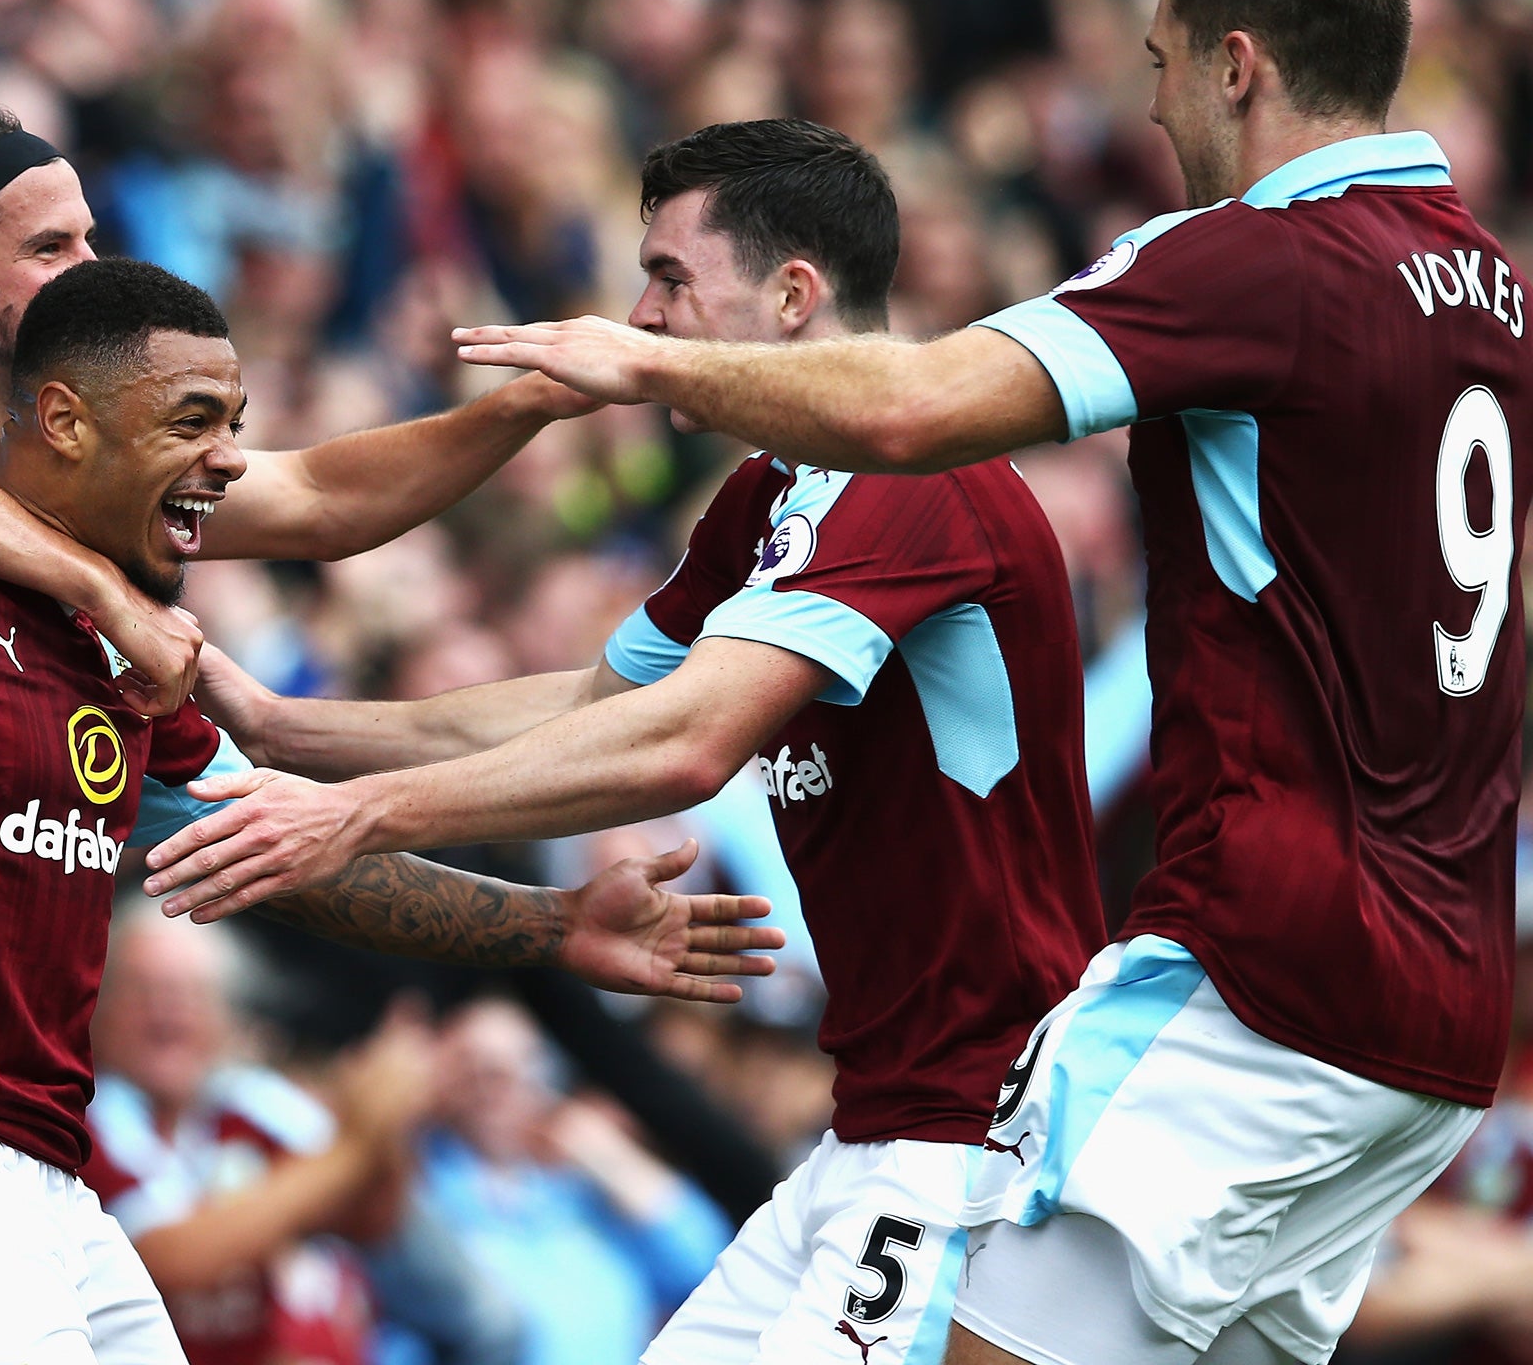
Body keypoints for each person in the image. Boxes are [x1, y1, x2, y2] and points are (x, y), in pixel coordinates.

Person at [453, 0, 1529, 1365]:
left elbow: (914, 402)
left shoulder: (1260, 259)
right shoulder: (1487, 288)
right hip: (1446, 999)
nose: (1148, 112)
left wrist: (646, 368)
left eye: (1156, 66)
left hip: (1265, 965)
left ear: (1235, 64)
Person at [0, 256, 779, 1362]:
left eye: (235, 426)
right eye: (193, 422)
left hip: (34, 1173)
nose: (226, 461)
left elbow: (289, 849)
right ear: (63, 420)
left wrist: (552, 925)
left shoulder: (119, 656)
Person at [152, 119, 1106, 1363]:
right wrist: (289, 729)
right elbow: (593, 706)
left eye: (667, 279)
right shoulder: (769, 493)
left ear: (791, 296)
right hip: (877, 1124)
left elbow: (682, 746)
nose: (640, 319)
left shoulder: (905, 478)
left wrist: (360, 815)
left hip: (974, 1134)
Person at [0, 102, 596, 707]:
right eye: (50, 247)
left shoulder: (63, 457)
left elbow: (322, 500)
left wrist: (527, 402)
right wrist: (113, 597)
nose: (90, 270)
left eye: (88, 240)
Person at [86, 905, 443, 1365]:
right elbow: (169, 1259)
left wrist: (389, 1117)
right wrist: (353, 1146)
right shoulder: (84, 1119)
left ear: (227, 1016)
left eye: (191, 994)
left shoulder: (251, 1102)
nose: (167, 1011)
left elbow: (370, 1220)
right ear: (101, 1006)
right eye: (144, 989)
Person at [420, 997, 730, 1365]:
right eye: (474, 1069)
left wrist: (612, 1159)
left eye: (516, 1070)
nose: (494, 1090)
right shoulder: (417, 1185)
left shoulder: (581, 1195)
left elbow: (709, 1269)